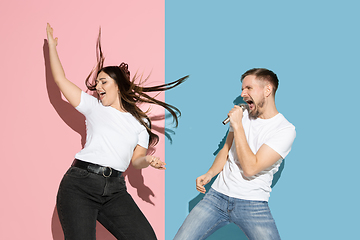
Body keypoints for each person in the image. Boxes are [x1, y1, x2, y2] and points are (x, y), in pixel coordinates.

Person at [46, 23, 187, 240]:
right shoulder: (94, 107)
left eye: (104, 81)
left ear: (118, 86)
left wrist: (149, 161)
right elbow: (61, 81)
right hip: (80, 184)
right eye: (97, 83)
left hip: (115, 190)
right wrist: (53, 49)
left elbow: (137, 160)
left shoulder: (139, 123)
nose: (98, 87)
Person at [174, 68, 296, 240]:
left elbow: (251, 168)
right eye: (242, 89)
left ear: (267, 90)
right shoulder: (243, 114)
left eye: (248, 88)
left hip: (253, 203)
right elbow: (226, 149)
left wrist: (238, 125)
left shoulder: (284, 130)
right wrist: (210, 173)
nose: (243, 93)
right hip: (216, 197)